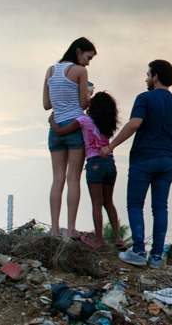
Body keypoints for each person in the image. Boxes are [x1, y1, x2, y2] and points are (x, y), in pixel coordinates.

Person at [101, 59, 172, 267]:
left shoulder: (145, 98)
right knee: (160, 208)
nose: (146, 78)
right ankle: (157, 256)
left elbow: (134, 123)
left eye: (148, 75)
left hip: (144, 159)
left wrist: (111, 146)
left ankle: (139, 251)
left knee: (135, 204)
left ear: (156, 77)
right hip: (167, 161)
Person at [49, 91, 128, 251]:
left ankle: (98, 240)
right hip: (110, 163)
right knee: (108, 202)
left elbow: (60, 132)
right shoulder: (106, 124)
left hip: (94, 164)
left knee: (96, 204)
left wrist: (52, 121)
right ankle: (118, 238)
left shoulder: (84, 120)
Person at [43, 37, 96, 239]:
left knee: (57, 180)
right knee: (73, 179)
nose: (88, 62)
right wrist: (89, 93)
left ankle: (55, 229)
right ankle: (71, 228)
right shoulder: (80, 72)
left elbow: (47, 104)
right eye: (88, 57)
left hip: (55, 127)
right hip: (74, 127)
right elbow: (83, 103)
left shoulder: (50, 70)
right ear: (79, 51)